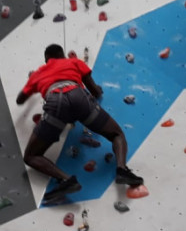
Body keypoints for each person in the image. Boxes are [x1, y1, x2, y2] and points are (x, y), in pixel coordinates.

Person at [16, 44, 143, 203]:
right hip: (79, 98)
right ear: (62, 55)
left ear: (46, 60)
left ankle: (66, 180)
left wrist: (33, 85)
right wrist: (97, 91)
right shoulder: (73, 62)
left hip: (55, 103)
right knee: (116, 134)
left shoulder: (38, 73)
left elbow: (19, 100)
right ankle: (122, 170)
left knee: (31, 156)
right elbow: (93, 89)